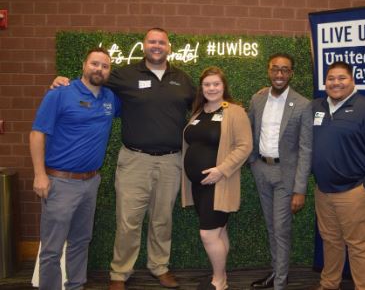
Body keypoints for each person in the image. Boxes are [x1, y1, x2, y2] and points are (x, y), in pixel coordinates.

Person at [51, 28, 195, 290]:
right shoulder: (125, 74)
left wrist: (227, 106)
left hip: (171, 161)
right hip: (134, 161)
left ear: (169, 47)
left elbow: (200, 106)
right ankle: (120, 273)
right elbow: (93, 79)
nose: (156, 46)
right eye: (152, 41)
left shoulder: (182, 79)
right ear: (144, 45)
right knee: (128, 221)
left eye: (161, 42)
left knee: (163, 219)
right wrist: (64, 82)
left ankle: (159, 266)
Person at [31, 47, 120, 290]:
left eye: (104, 66)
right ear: (84, 65)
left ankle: (76, 286)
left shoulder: (110, 98)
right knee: (52, 248)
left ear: (109, 70)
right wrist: (40, 175)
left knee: (81, 240)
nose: (99, 69)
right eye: (95, 64)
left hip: (91, 182)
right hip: (59, 182)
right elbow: (37, 133)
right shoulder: (60, 93)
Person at [311, 61, 365, 290]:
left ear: (352, 80)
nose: (335, 83)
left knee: (359, 246)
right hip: (323, 191)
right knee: (330, 242)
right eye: (331, 78)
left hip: (354, 192)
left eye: (341, 78)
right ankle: (329, 284)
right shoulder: (316, 107)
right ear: (325, 82)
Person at [181, 66, 252, 290]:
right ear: (201, 89)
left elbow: (245, 146)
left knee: (208, 233)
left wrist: (221, 170)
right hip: (198, 185)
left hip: (220, 182)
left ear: (224, 87)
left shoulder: (234, 111)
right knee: (218, 231)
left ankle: (219, 280)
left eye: (216, 84)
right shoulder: (198, 113)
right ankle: (221, 278)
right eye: (207, 85)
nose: (212, 88)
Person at [248, 53, 312, 289]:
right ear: (268, 70)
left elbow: (306, 149)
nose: (279, 74)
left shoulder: (303, 104)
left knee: (281, 229)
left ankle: (280, 284)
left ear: (291, 74)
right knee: (270, 226)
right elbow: (249, 131)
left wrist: (300, 189)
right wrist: (252, 162)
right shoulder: (258, 99)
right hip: (261, 170)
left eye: (285, 70)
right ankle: (276, 273)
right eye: (275, 69)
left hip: (286, 176)